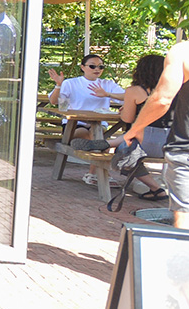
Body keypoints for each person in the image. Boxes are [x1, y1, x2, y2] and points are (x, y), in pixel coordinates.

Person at [72, 54, 170, 200]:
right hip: (172, 144)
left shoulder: (136, 91)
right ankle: (108, 143)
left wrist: (125, 110)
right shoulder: (175, 91)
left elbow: (127, 119)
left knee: (123, 153)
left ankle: (156, 188)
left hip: (145, 143)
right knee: (133, 136)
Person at [122, 40, 189, 229]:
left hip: (180, 146)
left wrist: (135, 128)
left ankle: (155, 187)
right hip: (171, 139)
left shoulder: (183, 52)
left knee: (185, 217)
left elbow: (161, 99)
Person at [48, 54, 126, 143]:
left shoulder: (107, 84)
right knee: (88, 137)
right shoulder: (70, 83)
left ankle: (97, 150)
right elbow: (54, 102)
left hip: (99, 123)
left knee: (96, 136)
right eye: (92, 66)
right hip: (75, 123)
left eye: (100, 67)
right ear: (82, 67)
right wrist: (58, 85)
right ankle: (97, 149)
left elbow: (127, 97)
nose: (97, 69)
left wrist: (108, 94)